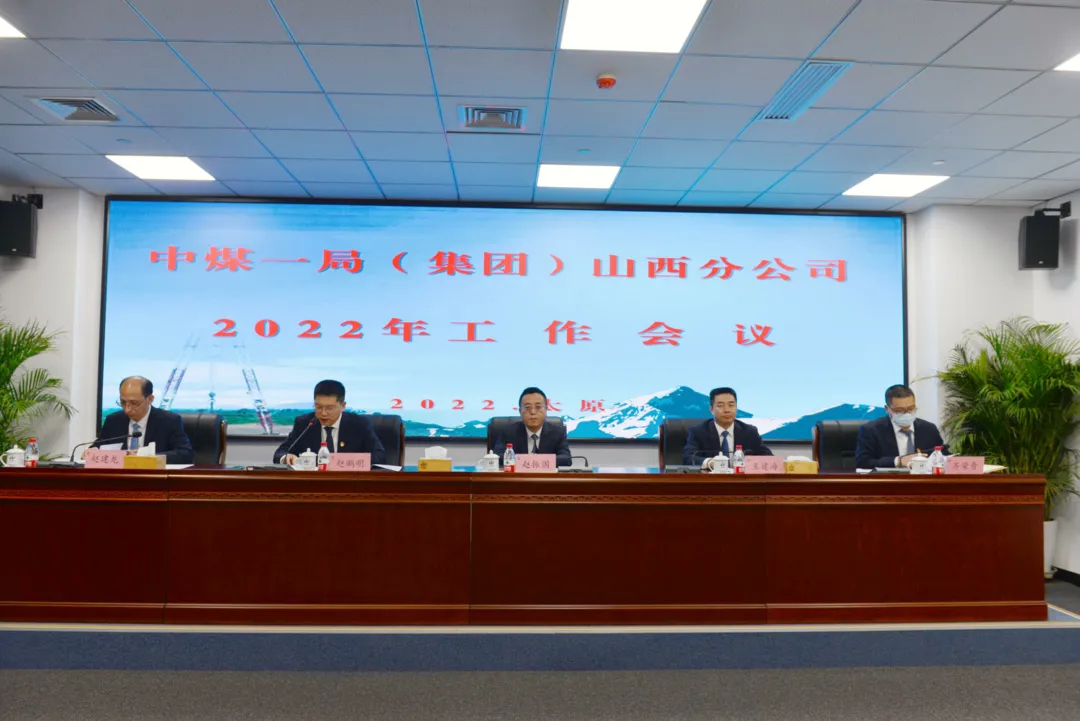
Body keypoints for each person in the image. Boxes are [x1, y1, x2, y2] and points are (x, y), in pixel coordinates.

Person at [273, 379, 386, 465]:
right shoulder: (304, 423)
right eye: (318, 407)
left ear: (342, 406)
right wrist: (286, 458)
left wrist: (346, 462)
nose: (323, 413)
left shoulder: (359, 424)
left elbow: (380, 456)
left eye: (329, 408)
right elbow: (280, 453)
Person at [97, 376, 194, 464]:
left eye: (134, 403)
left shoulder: (169, 421)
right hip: (120, 476)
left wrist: (148, 457)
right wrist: (93, 451)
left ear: (150, 399)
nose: (127, 409)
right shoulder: (113, 421)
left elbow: (185, 454)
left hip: (154, 475)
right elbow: (98, 447)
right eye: (123, 402)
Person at [855, 384, 947, 469]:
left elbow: (942, 455)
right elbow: (863, 462)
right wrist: (898, 461)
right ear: (887, 409)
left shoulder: (929, 429)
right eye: (900, 410)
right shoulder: (871, 430)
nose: (906, 414)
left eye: (911, 409)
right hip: (889, 480)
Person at [682, 387, 772, 465]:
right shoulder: (698, 432)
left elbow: (769, 458)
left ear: (736, 408)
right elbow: (688, 457)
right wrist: (710, 462)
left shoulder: (749, 432)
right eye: (720, 405)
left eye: (731, 405)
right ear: (711, 410)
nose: (726, 410)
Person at [492, 387, 572, 467]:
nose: (533, 412)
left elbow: (566, 459)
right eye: (527, 407)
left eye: (538, 407)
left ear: (546, 410)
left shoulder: (558, 432)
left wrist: (536, 461)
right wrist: (526, 461)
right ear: (520, 412)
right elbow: (497, 456)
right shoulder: (508, 432)